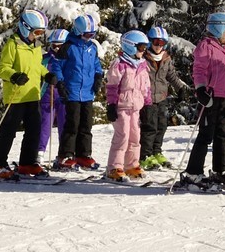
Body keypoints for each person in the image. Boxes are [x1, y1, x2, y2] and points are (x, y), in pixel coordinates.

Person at [179, 13, 225, 189]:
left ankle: (221, 171)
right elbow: (198, 70)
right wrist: (200, 89)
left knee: (222, 134)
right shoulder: (205, 46)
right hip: (209, 97)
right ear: (218, 28)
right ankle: (193, 172)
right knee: (206, 134)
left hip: (223, 97)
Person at [0, 9, 48, 179]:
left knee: (34, 131)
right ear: (25, 27)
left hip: (33, 95)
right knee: (9, 131)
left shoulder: (36, 47)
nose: (38, 36)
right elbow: (2, 67)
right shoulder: (12, 44)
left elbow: (37, 66)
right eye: (36, 32)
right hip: (16, 95)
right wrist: (13, 75)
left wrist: (46, 74)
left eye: (41, 33)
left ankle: (27, 163)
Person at [104, 30, 153, 181]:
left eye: (145, 48)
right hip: (121, 108)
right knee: (122, 136)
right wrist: (111, 105)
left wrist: (147, 105)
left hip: (135, 108)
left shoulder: (143, 65)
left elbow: (146, 87)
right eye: (141, 48)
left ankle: (131, 165)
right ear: (130, 46)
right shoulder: (119, 64)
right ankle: (114, 167)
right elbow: (112, 86)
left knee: (135, 137)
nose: (143, 51)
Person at [58, 13, 104, 170]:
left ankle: (83, 154)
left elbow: (97, 64)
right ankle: (66, 154)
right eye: (87, 34)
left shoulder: (92, 47)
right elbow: (58, 66)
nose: (89, 37)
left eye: (93, 34)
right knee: (72, 124)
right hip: (72, 92)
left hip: (87, 93)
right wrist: (60, 83)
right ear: (78, 31)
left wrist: (98, 76)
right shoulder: (68, 47)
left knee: (86, 125)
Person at [140, 25, 184, 170]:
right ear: (149, 42)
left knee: (162, 126)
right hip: (147, 99)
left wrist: (181, 88)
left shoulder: (166, 58)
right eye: (156, 42)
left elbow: (171, 75)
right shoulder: (143, 58)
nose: (159, 46)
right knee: (149, 127)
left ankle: (156, 152)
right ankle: (145, 155)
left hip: (162, 97)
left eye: (162, 43)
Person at [38, 28, 70, 162]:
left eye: (59, 46)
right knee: (45, 125)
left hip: (64, 96)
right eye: (54, 45)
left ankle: (64, 154)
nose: (56, 48)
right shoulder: (46, 59)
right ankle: (39, 152)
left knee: (65, 125)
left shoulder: (70, 59)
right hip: (47, 94)